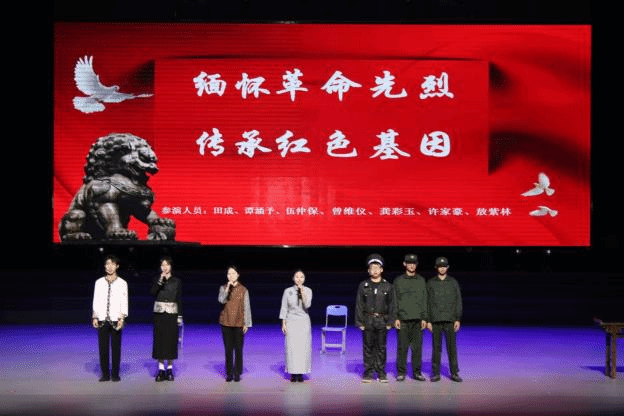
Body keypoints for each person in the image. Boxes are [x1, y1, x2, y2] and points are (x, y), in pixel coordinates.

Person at [355, 253, 395, 383]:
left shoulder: (388, 286)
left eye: (377, 268)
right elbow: (359, 304)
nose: (375, 270)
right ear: (368, 270)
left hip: (382, 321)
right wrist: (360, 322)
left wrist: (390, 322)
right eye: (372, 268)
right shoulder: (363, 285)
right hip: (368, 320)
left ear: (382, 269)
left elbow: (392, 304)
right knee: (368, 347)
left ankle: (381, 372)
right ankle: (368, 373)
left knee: (381, 348)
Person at [91, 254, 128, 382]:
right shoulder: (99, 282)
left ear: (117, 266)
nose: (110, 267)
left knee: (116, 348)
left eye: (112, 264)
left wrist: (122, 318)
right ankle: (105, 374)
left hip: (116, 319)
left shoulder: (122, 283)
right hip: (102, 318)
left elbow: (124, 301)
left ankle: (115, 374)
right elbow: (96, 300)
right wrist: (95, 317)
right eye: (107, 264)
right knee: (103, 348)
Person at [426, 257, 463, 382]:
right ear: (436, 268)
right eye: (440, 266)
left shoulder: (453, 282)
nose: (442, 268)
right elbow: (427, 302)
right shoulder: (431, 283)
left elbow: (458, 300)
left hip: (449, 320)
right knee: (436, 348)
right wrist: (428, 320)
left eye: (444, 266)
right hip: (435, 320)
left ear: (447, 267)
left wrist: (457, 318)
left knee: (452, 348)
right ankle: (435, 373)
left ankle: (454, 373)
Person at [393, 253, 428, 382]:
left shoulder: (421, 280)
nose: (411, 266)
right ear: (404, 264)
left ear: (416, 265)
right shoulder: (398, 281)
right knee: (402, 348)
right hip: (403, 319)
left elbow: (425, 300)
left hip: (417, 320)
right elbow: (394, 300)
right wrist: (395, 317)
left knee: (417, 349)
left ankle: (417, 372)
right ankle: (401, 372)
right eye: (409, 263)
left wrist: (424, 318)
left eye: (414, 263)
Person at [150, 256, 183, 382]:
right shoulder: (156, 279)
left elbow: (179, 299)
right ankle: (160, 369)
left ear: (171, 266)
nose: (165, 267)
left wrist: (180, 315)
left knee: (170, 341)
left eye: (167, 265)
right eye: (163, 265)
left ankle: (169, 369)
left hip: (172, 314)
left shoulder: (177, 281)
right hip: (159, 314)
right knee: (159, 341)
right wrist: (160, 281)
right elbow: (152, 293)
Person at [218, 266, 252, 382]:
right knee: (228, 349)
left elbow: (246, 307)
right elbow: (221, 300)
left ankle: (237, 372)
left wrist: (247, 323)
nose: (231, 276)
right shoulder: (223, 288)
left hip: (239, 323)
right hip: (226, 323)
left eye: (233, 273)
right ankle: (229, 373)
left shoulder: (243, 290)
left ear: (238, 275)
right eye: (229, 274)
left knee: (238, 349)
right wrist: (227, 289)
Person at [279, 270, 313, 382]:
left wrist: (302, 292)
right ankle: (293, 373)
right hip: (291, 321)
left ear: (304, 279)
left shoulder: (308, 290)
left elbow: (307, 305)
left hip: (303, 321)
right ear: (293, 278)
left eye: (301, 277)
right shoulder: (287, 291)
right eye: (297, 277)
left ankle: (301, 373)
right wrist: (283, 323)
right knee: (292, 348)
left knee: (303, 348)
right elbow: (284, 307)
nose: (299, 279)